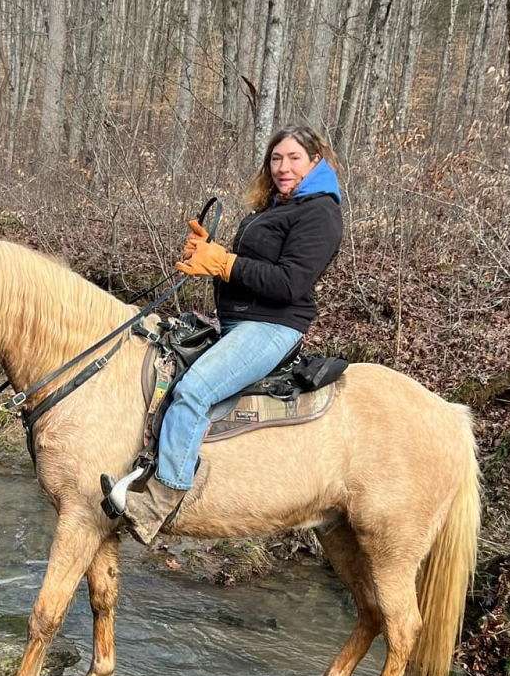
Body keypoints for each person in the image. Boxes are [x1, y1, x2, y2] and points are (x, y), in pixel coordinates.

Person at [106, 123, 343, 543]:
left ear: (315, 162)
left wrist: (224, 263)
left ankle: (163, 500)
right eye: (276, 158)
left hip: (273, 327)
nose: (283, 167)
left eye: (293, 159)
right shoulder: (278, 207)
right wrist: (208, 253)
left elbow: (290, 283)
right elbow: (252, 268)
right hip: (240, 322)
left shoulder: (319, 212)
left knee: (194, 392)